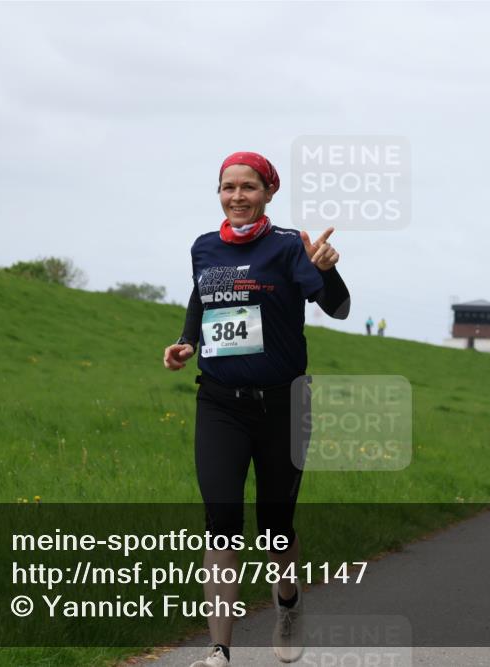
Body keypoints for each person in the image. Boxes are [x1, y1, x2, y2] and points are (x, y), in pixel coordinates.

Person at [162, 152, 350, 667]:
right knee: (221, 517)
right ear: (218, 193)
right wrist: (184, 341)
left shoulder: (289, 247)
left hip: (283, 406)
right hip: (219, 402)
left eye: (249, 187)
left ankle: (287, 604)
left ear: (269, 192)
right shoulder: (204, 248)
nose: (237, 196)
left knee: (274, 524)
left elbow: (337, 307)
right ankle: (220, 648)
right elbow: (202, 301)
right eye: (228, 187)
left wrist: (328, 273)